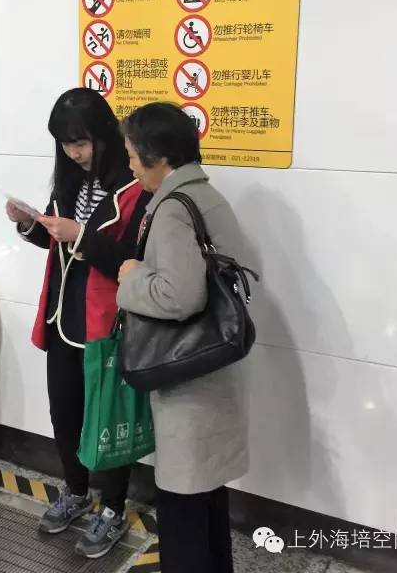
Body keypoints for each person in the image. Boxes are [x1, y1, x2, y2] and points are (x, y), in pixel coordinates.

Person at [5, 87, 150, 559]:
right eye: (66, 144)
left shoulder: (135, 187)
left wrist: (81, 235)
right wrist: (30, 224)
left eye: (81, 142)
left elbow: (132, 259)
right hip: (63, 316)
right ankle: (76, 491)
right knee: (64, 412)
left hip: (106, 321)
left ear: (105, 135)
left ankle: (112, 507)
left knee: (106, 418)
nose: (74, 152)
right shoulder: (68, 183)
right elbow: (57, 242)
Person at [117, 102, 250, 573]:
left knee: (182, 508)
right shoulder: (206, 196)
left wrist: (131, 277)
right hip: (213, 369)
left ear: (157, 157)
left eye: (132, 156)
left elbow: (180, 297)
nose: (131, 167)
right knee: (207, 500)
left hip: (187, 380)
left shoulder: (173, 209)